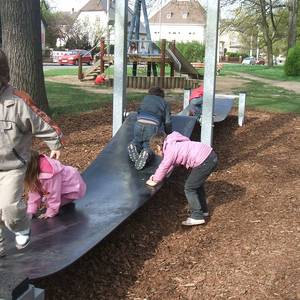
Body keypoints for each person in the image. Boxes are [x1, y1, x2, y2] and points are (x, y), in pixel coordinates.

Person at [0, 49, 63, 257]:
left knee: (9, 206)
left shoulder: (17, 101)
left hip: (12, 166)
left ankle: (21, 226)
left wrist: (55, 142)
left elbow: (41, 122)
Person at [146, 131, 218, 226]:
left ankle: (197, 216)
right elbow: (170, 165)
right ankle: (203, 211)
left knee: (189, 188)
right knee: (197, 185)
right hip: (210, 155)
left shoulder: (170, 150)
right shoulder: (173, 142)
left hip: (205, 161)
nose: (159, 155)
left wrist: (155, 180)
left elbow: (164, 166)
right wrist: (156, 176)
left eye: (156, 152)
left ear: (158, 147)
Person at [25, 151, 86, 219]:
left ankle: (60, 203)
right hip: (61, 185)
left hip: (73, 187)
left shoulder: (48, 175)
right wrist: (31, 211)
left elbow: (53, 194)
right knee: (46, 199)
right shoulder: (36, 171)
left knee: (48, 203)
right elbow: (34, 191)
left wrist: (50, 212)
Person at [128, 86, 172, 170]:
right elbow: (167, 122)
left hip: (139, 123)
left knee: (137, 140)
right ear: (162, 95)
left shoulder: (145, 98)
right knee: (150, 144)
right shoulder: (165, 103)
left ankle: (133, 145)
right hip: (152, 126)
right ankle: (146, 152)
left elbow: (139, 111)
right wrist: (168, 133)